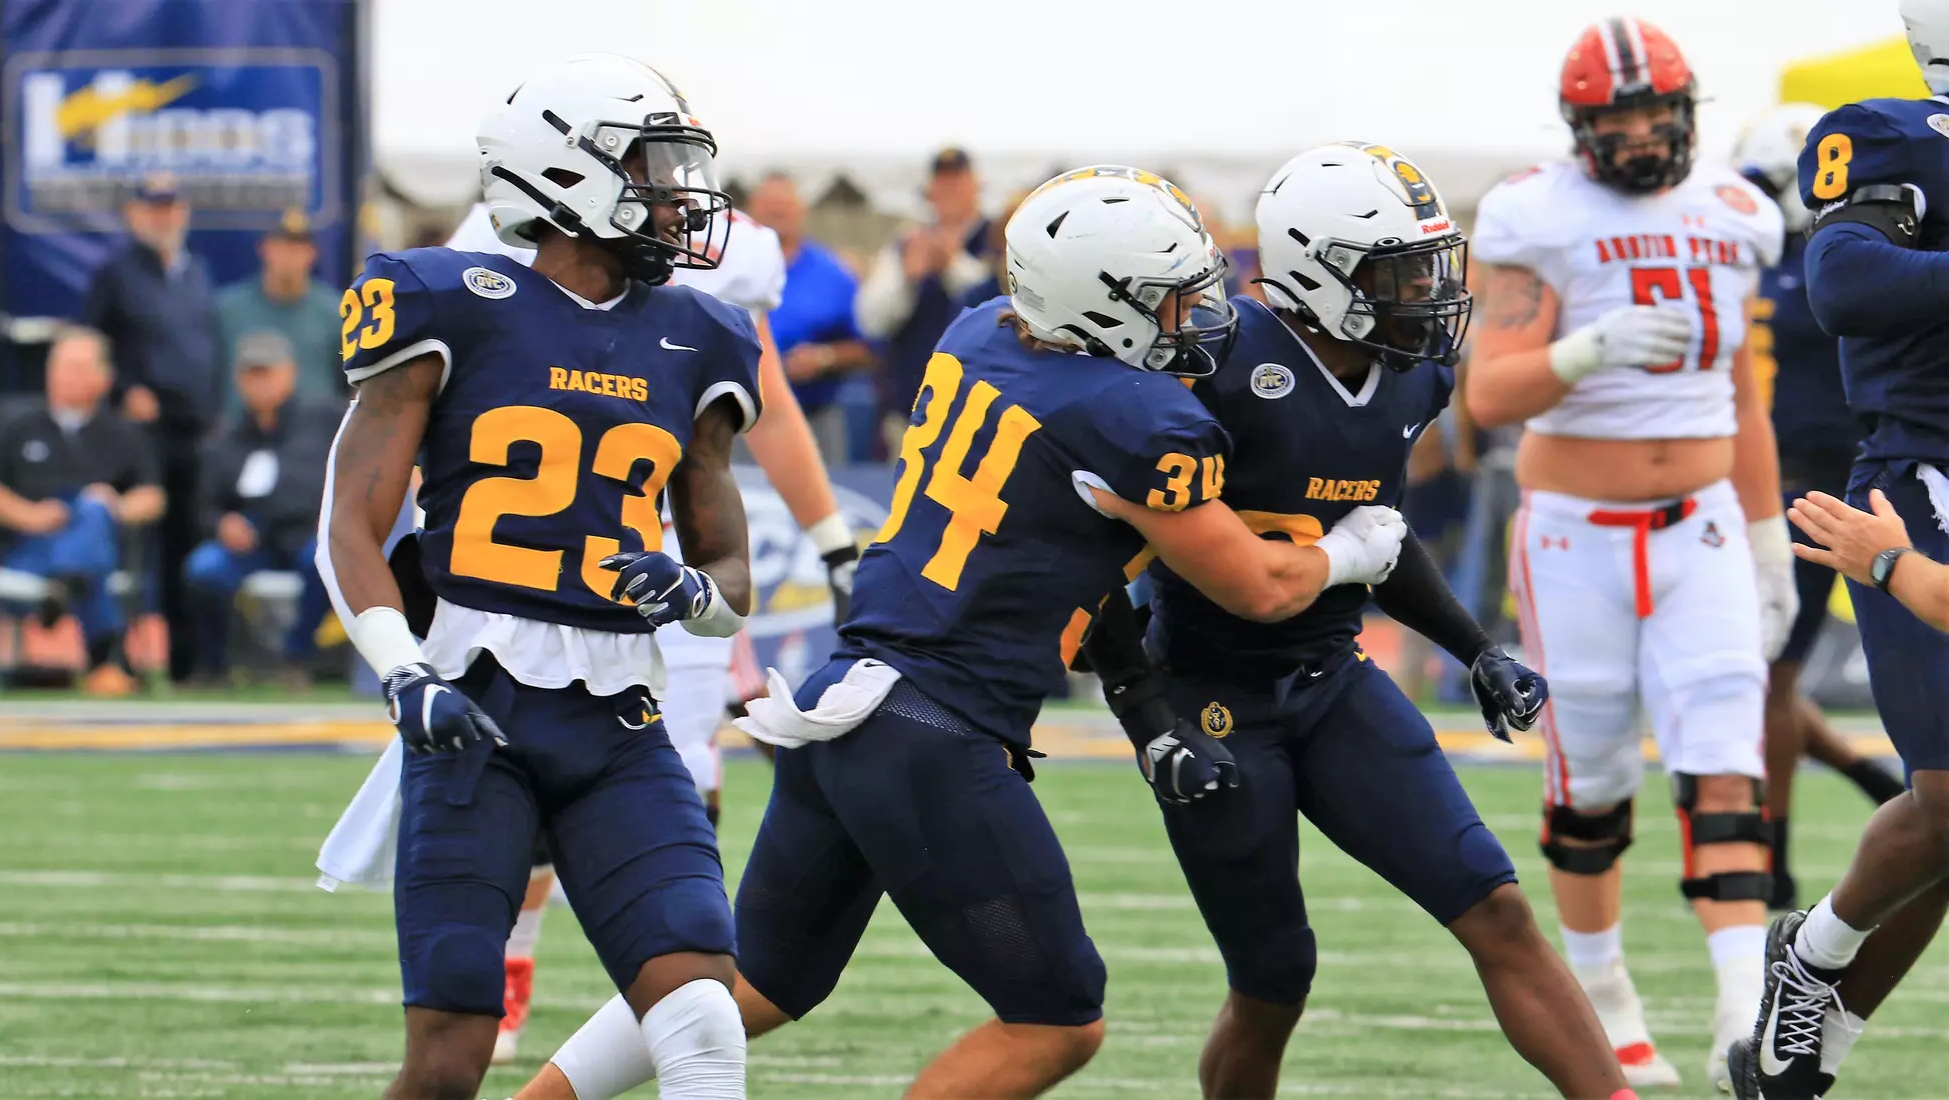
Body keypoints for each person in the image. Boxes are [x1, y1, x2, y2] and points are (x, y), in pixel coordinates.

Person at [510, 165, 1411, 1100]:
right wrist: (1354, 550)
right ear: (1102, 305)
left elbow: (1074, 549)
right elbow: (1258, 587)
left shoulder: (980, 332)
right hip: (933, 732)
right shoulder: (1134, 415)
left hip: (848, 696)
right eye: (1172, 300)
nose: (1199, 319)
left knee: (753, 982)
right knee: (1058, 1018)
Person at [1067, 142, 1631, 1100]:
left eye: (1429, 266)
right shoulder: (1209, 361)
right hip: (1213, 702)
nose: (1427, 291)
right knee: (1274, 979)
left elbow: (1376, 532)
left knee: (1496, 909)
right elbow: (1093, 560)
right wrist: (1149, 721)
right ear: (1313, 270)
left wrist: (1475, 647)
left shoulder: (1411, 377)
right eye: (1399, 271)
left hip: (1332, 679)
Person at [315, 54, 761, 1100]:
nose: (673, 194)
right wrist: (402, 671)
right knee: (449, 1059)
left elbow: (729, 568)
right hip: (474, 703)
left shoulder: (698, 334)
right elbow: (353, 519)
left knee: (701, 1013)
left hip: (622, 717)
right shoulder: (444, 299)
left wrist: (699, 596)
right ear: (568, 174)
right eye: (651, 167)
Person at [442, 122, 863, 1071]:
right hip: (523, 576)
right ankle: (512, 957)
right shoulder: (489, 246)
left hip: (668, 563)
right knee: (525, 779)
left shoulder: (718, 265)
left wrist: (830, 534)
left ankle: (659, 990)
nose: (680, 189)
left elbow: (768, 405)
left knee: (684, 776)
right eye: (650, 162)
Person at [1463, 18, 1794, 1090]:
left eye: (1659, 111)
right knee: (1593, 780)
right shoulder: (1534, 212)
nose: (1646, 132)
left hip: (1699, 524)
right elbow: (1490, 391)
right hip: (1574, 533)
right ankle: (1605, 990)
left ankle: (1745, 1011)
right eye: (1622, 117)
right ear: (1582, 127)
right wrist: (1585, 349)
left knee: (1723, 756)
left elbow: (1742, 394)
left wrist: (1765, 534)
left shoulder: (1735, 210)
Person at [1728, 2, 1949, 1095]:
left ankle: (1805, 1053)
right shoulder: (1899, 137)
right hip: (1924, 476)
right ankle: (1808, 960)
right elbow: (1844, 282)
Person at [1734, 103, 1908, 912]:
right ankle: (1862, 778)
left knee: (1767, 673)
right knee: (1764, 670)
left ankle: (1771, 858)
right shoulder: (1823, 262)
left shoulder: (1763, 264)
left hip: (1796, 481)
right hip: (1800, 470)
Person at [82, 171, 223, 682]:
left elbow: (210, 348)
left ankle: (189, 663)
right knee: (142, 547)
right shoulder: (116, 273)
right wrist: (124, 390)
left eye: (171, 206)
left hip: (194, 431)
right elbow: (92, 345)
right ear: (135, 214)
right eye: (154, 207)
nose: (164, 216)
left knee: (190, 541)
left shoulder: (195, 272)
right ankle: (127, 659)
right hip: (143, 432)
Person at [0, 327, 164, 694]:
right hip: (31, 544)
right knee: (91, 554)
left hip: (98, 540)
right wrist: (31, 515)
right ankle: (103, 659)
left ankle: (66, 583)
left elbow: (152, 496)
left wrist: (115, 504)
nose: (63, 375)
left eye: (76, 367)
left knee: (93, 511)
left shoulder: (123, 433)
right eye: (59, 365)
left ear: (104, 378)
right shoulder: (15, 425)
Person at [181, 331, 338, 683]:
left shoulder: (322, 421)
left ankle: (296, 658)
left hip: (305, 532)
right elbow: (204, 505)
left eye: (268, 372)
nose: (260, 383)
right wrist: (222, 524)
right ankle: (215, 665)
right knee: (204, 568)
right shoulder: (224, 438)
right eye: (251, 373)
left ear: (290, 374)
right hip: (250, 540)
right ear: (238, 380)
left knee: (324, 560)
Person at [855, 147, 992, 451]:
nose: (949, 191)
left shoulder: (996, 238)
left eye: (958, 181)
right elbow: (872, 322)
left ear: (976, 185)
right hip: (912, 408)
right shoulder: (905, 244)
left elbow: (999, 301)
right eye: (942, 183)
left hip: (983, 412)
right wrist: (909, 278)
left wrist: (952, 265)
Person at [744, 173, 875, 463]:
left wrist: (825, 357)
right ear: (751, 208)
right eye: (768, 203)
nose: (776, 210)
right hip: (738, 425)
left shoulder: (834, 274)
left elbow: (869, 348)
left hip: (812, 420)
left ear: (801, 209)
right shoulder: (725, 267)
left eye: (784, 203)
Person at [215, 208, 348, 409]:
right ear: (264, 249)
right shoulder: (228, 310)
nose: (288, 257)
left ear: (313, 254)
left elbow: (348, 382)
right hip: (243, 432)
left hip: (314, 431)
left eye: (297, 248)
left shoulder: (334, 313)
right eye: (281, 247)